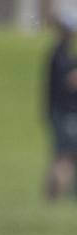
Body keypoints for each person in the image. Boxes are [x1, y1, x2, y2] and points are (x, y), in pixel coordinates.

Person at [43, 8, 77, 200]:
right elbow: (69, 81)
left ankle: (55, 194)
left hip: (62, 112)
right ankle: (54, 196)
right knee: (66, 155)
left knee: (64, 154)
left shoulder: (60, 53)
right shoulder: (60, 56)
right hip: (65, 113)